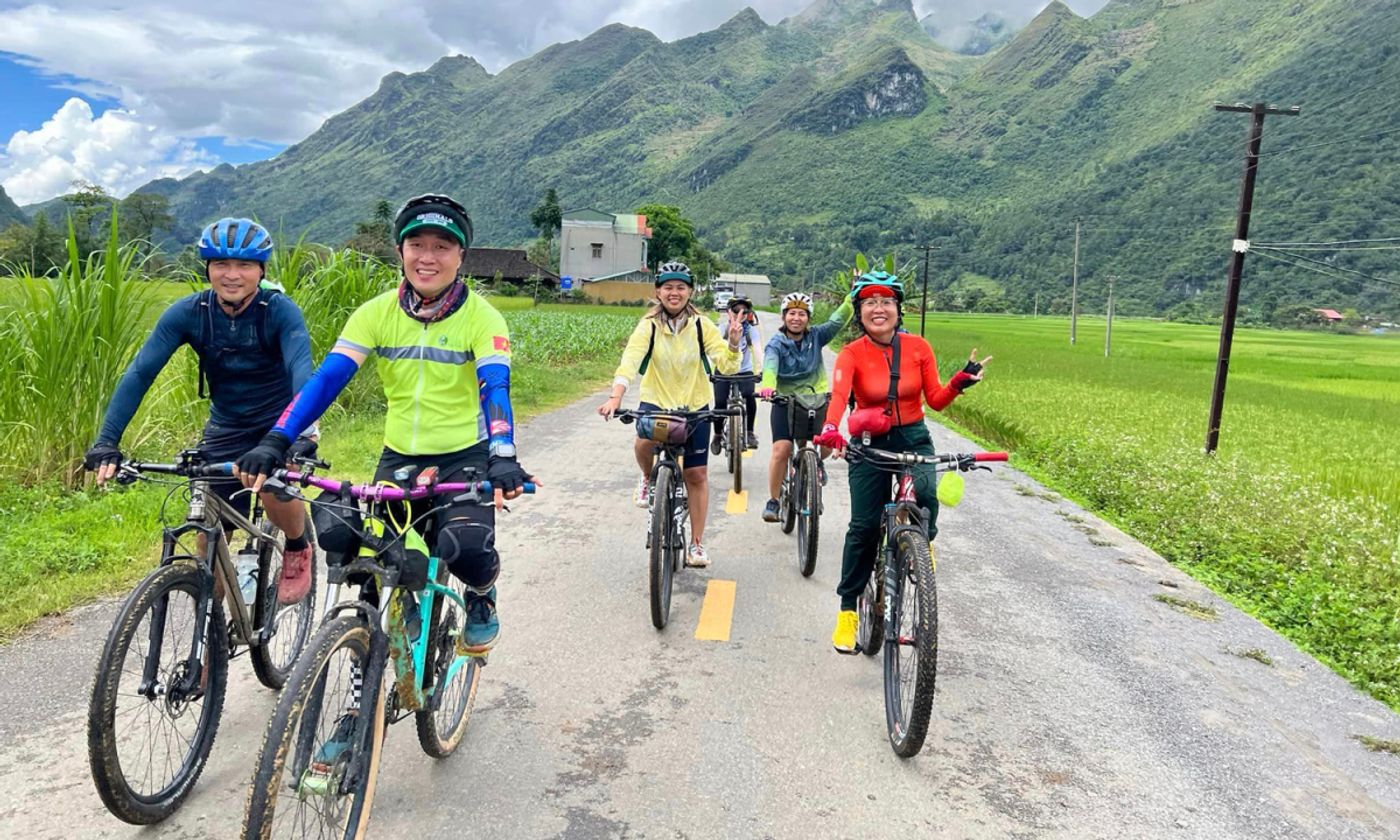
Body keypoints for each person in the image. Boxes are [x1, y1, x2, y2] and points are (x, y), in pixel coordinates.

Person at [233, 193, 533, 655]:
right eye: (417, 244)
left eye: (442, 246)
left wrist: (503, 454)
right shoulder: (376, 313)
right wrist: (278, 437)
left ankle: (481, 594)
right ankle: (366, 687)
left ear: (461, 256)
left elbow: (495, 387)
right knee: (370, 564)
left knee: (467, 549)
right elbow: (327, 379)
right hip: (400, 457)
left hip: (464, 457)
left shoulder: (482, 318)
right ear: (400, 252)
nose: (427, 257)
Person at [84, 218, 317, 605]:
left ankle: (297, 545)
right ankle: (209, 641)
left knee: (274, 487)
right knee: (208, 536)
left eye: (244, 265)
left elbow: (302, 374)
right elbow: (141, 373)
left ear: (261, 270)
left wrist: (299, 436)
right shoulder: (189, 312)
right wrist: (107, 440)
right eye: (220, 264)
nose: (231, 275)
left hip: (281, 421)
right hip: (226, 425)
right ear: (206, 268)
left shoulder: (279, 311)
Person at [813, 271, 990, 654]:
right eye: (870, 303)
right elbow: (840, 397)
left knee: (926, 491)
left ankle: (922, 546)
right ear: (859, 312)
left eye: (886, 302)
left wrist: (960, 381)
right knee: (862, 528)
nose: (879, 309)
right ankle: (848, 612)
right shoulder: (851, 353)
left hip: (913, 434)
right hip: (869, 441)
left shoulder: (918, 348)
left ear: (898, 309)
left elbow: (936, 400)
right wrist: (830, 428)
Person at [597, 261, 742, 568]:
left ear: (690, 291)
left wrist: (732, 344)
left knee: (696, 475)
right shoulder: (648, 326)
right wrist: (615, 398)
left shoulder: (702, 326)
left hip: (694, 407)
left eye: (681, 287)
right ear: (658, 292)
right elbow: (629, 362)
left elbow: (725, 366)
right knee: (642, 441)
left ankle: (698, 543)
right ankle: (649, 478)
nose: (674, 293)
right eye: (668, 287)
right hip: (657, 402)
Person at [755, 290, 853, 523]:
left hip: (815, 399)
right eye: (791, 314)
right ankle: (774, 500)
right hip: (785, 401)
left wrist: (853, 296)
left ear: (808, 318)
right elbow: (770, 367)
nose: (796, 318)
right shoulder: (776, 343)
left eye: (801, 314)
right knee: (782, 449)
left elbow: (837, 320)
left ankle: (816, 462)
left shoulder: (817, 336)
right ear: (783, 317)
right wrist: (768, 386)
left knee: (827, 443)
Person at [710, 294, 763, 454]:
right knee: (720, 403)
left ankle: (749, 432)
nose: (740, 314)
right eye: (736, 310)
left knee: (749, 395)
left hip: (744, 370)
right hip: (723, 370)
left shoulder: (751, 331)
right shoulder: (721, 329)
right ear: (728, 312)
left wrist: (762, 369)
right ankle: (718, 434)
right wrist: (707, 369)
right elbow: (711, 350)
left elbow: (758, 350)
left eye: (744, 311)